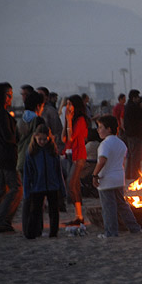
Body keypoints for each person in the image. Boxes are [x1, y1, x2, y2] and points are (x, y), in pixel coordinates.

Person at [93, 115, 142, 238]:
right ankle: (134, 228)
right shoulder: (121, 144)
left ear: (109, 129)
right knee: (122, 206)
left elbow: (102, 160)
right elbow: (122, 161)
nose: (98, 130)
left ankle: (111, 232)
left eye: (100, 127)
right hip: (118, 178)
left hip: (106, 180)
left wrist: (94, 175)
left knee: (109, 208)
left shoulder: (105, 144)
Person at [0, 82, 23, 233]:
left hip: (1, 155)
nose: (10, 98)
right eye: (8, 95)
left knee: (2, 189)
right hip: (8, 155)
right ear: (1, 96)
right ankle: (1, 220)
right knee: (16, 188)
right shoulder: (2, 114)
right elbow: (9, 137)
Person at [23, 124, 66, 239]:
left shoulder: (53, 151)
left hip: (53, 185)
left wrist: (62, 188)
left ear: (49, 138)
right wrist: (27, 191)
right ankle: (31, 233)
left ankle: (53, 233)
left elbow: (58, 171)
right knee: (35, 211)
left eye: (44, 139)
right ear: (35, 137)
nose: (42, 141)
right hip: (37, 186)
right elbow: (27, 174)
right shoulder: (31, 153)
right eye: (39, 139)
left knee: (54, 211)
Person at [16, 91, 46, 236]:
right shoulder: (38, 121)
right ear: (38, 106)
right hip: (34, 161)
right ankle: (35, 228)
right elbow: (43, 142)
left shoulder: (20, 120)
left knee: (27, 195)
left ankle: (27, 228)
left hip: (21, 160)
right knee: (38, 196)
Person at [62, 94, 89, 225]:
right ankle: (78, 216)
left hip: (79, 155)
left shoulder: (81, 120)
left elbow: (71, 137)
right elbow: (64, 138)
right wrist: (67, 120)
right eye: (67, 104)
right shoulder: (72, 120)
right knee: (74, 185)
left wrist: (69, 120)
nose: (67, 107)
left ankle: (79, 216)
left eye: (70, 104)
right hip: (71, 154)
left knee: (71, 183)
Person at [124, 89, 142, 180]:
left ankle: (129, 175)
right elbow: (140, 119)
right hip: (135, 135)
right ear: (134, 98)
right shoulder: (134, 108)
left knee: (131, 156)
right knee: (135, 156)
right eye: (137, 98)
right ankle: (134, 176)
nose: (138, 99)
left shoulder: (128, 106)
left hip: (130, 134)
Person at [37, 87, 64, 154]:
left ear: (47, 97)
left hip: (49, 148)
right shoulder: (36, 111)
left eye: (41, 95)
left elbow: (57, 131)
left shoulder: (51, 111)